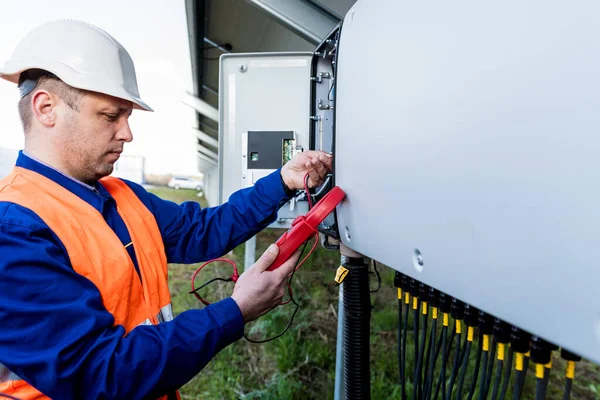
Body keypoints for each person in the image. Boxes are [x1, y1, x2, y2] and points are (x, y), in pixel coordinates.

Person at [0, 20, 332, 400]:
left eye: (127, 117)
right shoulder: (14, 228)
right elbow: (101, 373)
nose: (127, 133)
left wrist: (283, 181)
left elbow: (202, 231)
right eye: (111, 115)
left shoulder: (120, 195)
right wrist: (236, 311)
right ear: (46, 108)